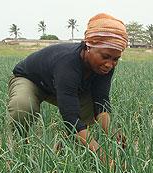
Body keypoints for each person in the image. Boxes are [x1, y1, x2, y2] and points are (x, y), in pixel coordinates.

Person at [8, 13, 127, 162]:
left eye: (115, 59)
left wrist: (112, 133)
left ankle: (66, 145)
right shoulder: (68, 64)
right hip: (32, 81)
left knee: (88, 112)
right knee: (23, 106)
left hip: (64, 86)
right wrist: (102, 156)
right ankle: (19, 149)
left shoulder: (105, 67)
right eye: (105, 56)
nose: (110, 64)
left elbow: (101, 102)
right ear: (88, 47)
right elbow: (70, 118)